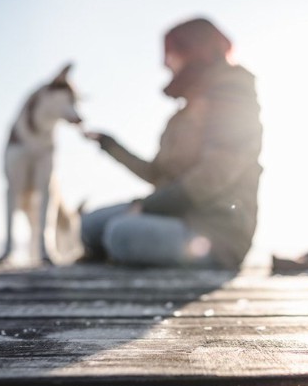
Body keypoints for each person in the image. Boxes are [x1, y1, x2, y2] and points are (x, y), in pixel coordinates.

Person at [81, 18, 263, 270]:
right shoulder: (185, 111)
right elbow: (157, 173)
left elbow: (215, 174)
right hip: (175, 215)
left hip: (215, 232)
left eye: (171, 53)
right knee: (89, 226)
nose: (165, 63)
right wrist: (109, 145)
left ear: (193, 50)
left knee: (119, 234)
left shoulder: (233, 94)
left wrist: (148, 207)